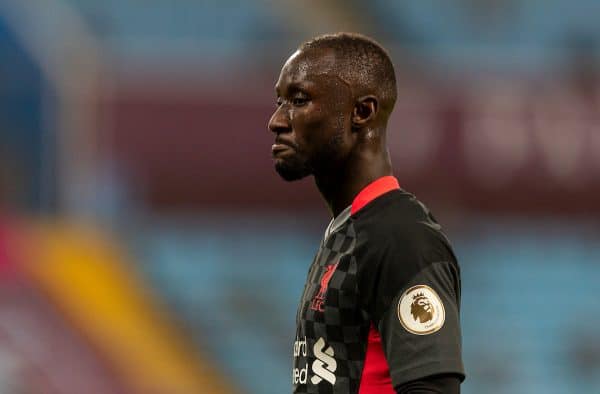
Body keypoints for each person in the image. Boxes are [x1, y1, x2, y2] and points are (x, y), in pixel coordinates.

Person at [268, 32, 465, 394]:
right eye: (280, 101)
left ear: (362, 112)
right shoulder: (347, 233)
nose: (277, 120)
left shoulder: (401, 237)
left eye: (299, 100)